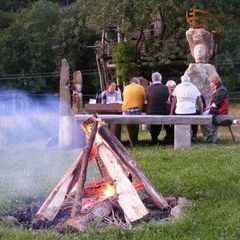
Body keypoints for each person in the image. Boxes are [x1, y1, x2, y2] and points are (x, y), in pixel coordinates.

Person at [170, 75, 203, 141]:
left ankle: (176, 136)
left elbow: (174, 100)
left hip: (179, 112)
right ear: (189, 80)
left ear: (181, 80)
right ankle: (193, 136)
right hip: (191, 112)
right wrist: (201, 112)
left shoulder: (178, 87)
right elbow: (199, 101)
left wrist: (171, 112)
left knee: (175, 121)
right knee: (195, 121)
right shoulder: (194, 87)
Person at [202, 74, 229, 143]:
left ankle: (211, 139)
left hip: (220, 111)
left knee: (204, 120)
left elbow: (216, 104)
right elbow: (213, 104)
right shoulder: (218, 89)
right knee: (202, 117)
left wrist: (208, 112)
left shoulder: (221, 90)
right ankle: (210, 137)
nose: (210, 84)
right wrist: (206, 110)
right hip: (216, 110)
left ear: (214, 82)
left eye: (210, 82)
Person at [146, 72, 170, 145]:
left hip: (151, 111)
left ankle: (154, 139)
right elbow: (166, 98)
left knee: (153, 125)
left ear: (152, 79)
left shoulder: (148, 88)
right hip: (163, 111)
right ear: (160, 79)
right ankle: (167, 137)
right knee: (166, 122)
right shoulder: (165, 88)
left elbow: (147, 98)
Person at [122, 77, 146, 146]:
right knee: (135, 128)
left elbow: (124, 97)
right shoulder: (141, 88)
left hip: (126, 110)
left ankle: (132, 142)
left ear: (131, 82)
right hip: (137, 110)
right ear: (138, 82)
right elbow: (144, 98)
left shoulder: (126, 88)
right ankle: (135, 142)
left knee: (129, 129)